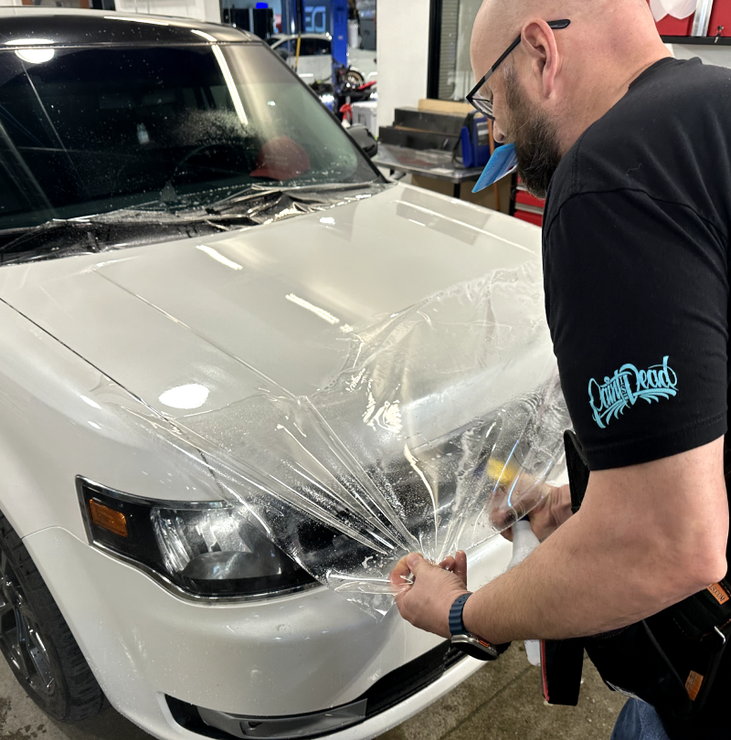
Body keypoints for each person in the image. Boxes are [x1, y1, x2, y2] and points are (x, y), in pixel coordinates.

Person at [389, 1, 731, 738]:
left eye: (489, 94)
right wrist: (596, 514)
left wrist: (458, 612)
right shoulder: (712, 113)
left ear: (540, 53)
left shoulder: (606, 177)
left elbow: (668, 541)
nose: (494, 130)